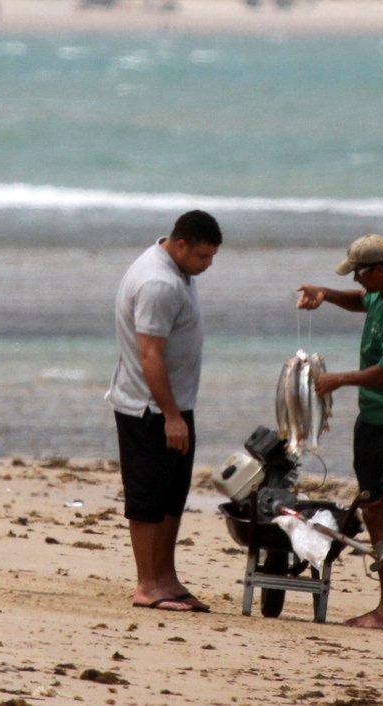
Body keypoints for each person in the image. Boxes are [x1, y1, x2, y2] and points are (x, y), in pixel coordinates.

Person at [297, 233, 383, 631]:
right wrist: (326, 294)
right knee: (376, 508)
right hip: (380, 421)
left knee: (376, 513)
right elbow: (362, 301)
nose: (356, 280)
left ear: (379, 269)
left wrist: (340, 379)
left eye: (359, 272)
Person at [106, 210, 221, 613]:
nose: (207, 266)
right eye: (203, 257)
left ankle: (167, 578)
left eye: (212, 258)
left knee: (173, 495)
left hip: (175, 403)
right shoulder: (158, 282)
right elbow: (149, 353)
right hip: (149, 407)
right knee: (148, 496)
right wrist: (171, 415)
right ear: (182, 244)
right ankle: (147, 585)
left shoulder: (175, 269)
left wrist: (179, 410)